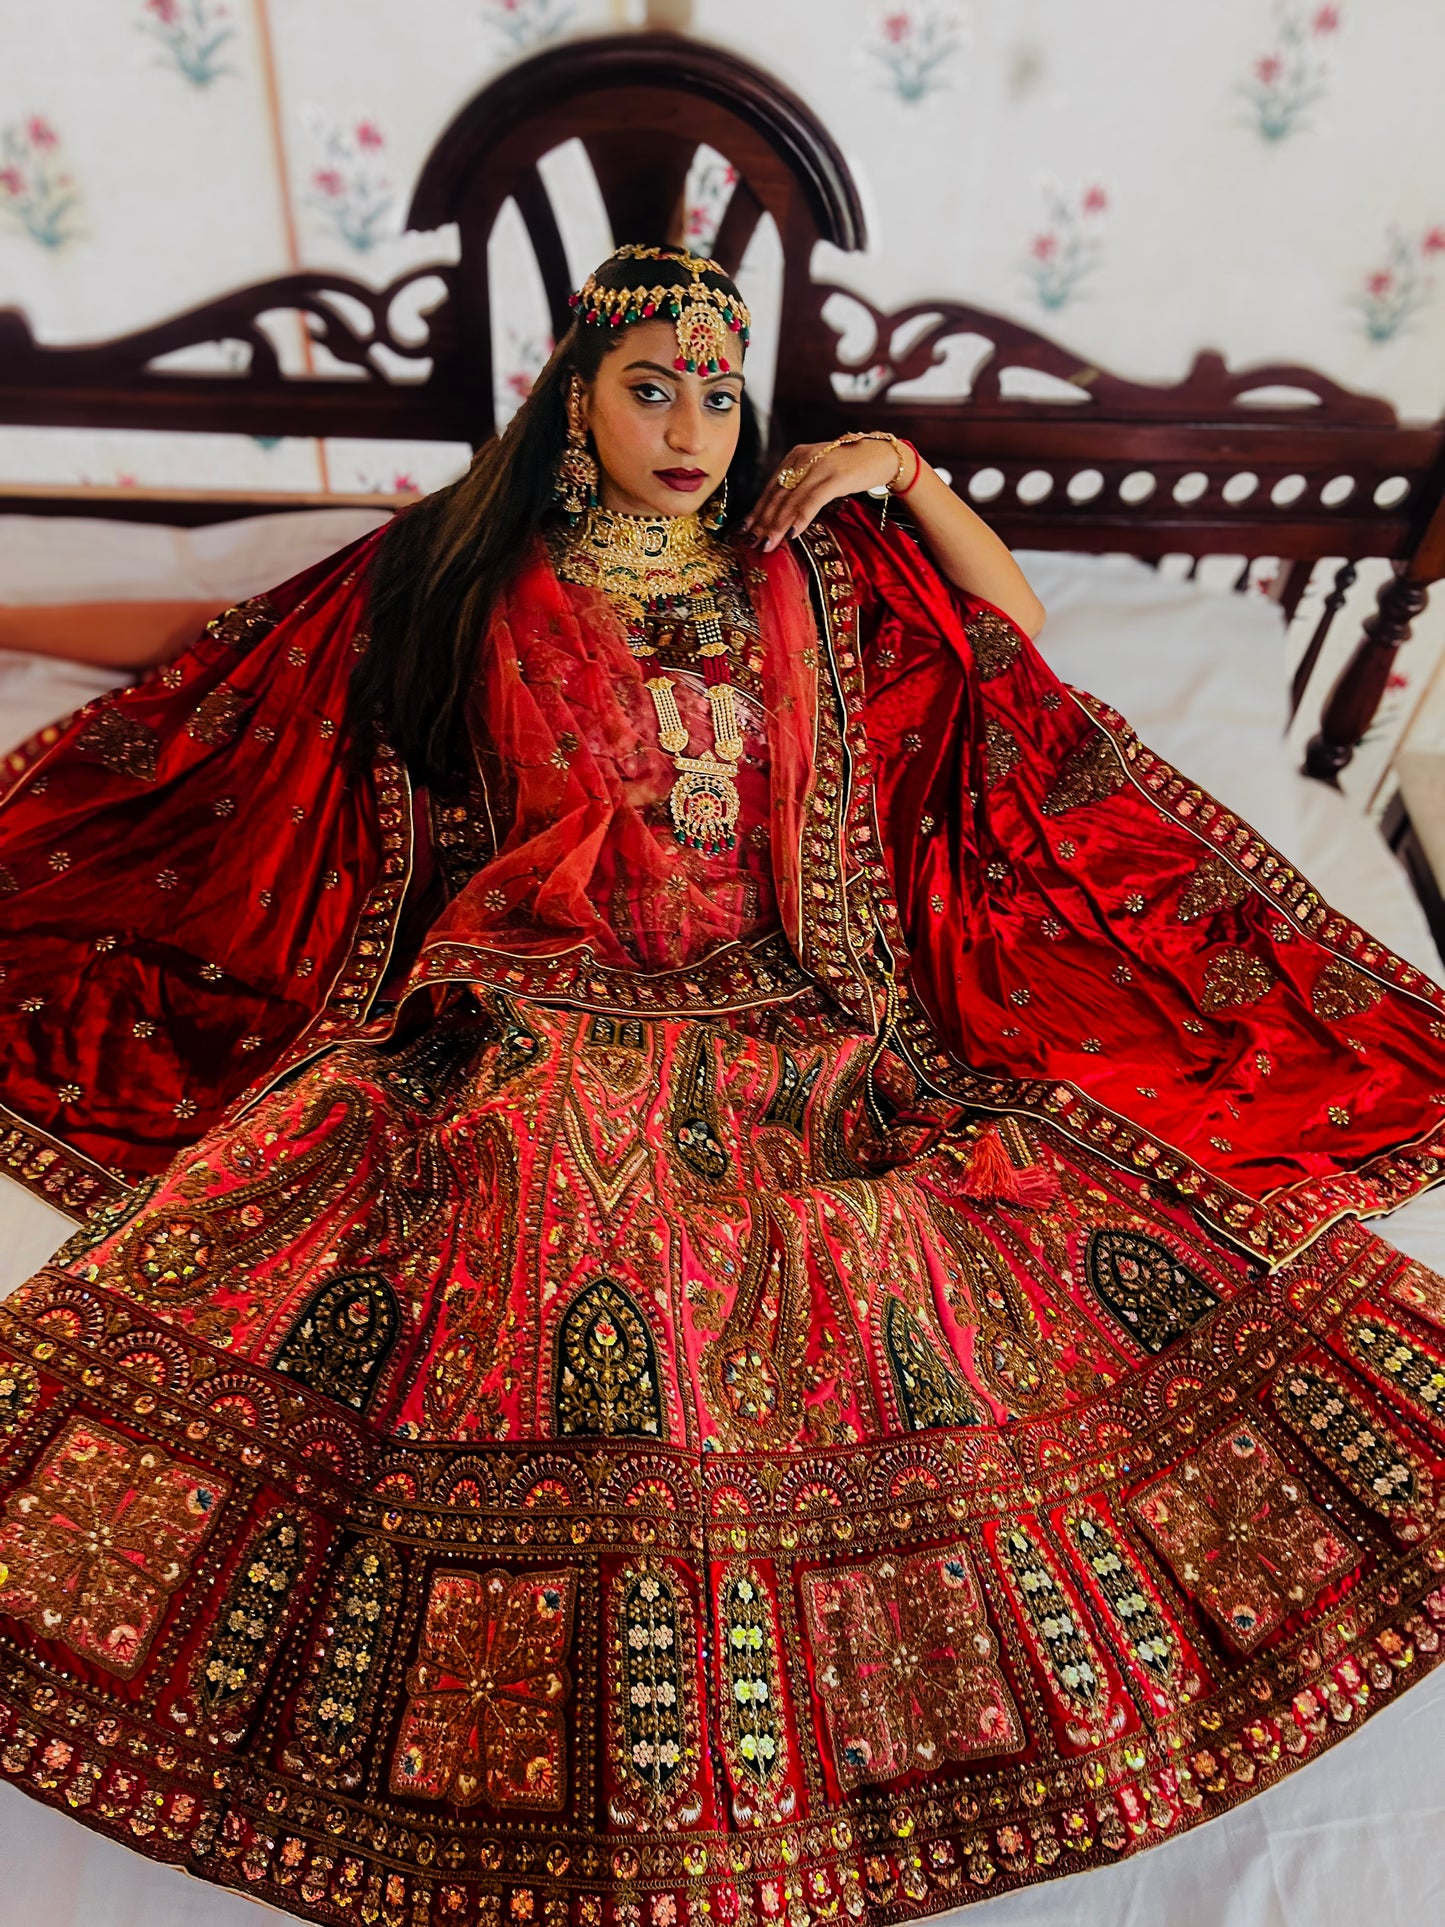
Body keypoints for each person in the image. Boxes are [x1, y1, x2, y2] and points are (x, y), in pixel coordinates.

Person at [0, 244, 1442, 1927]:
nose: (690, 425)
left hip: (792, 1014)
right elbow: (229, 651)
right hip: (536, 1004)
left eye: (717, 390)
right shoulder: (461, 571)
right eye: (650, 386)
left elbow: (1014, 636)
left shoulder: (818, 571)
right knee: (512, 1207)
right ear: (574, 399)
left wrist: (903, 474)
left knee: (903, 1241)